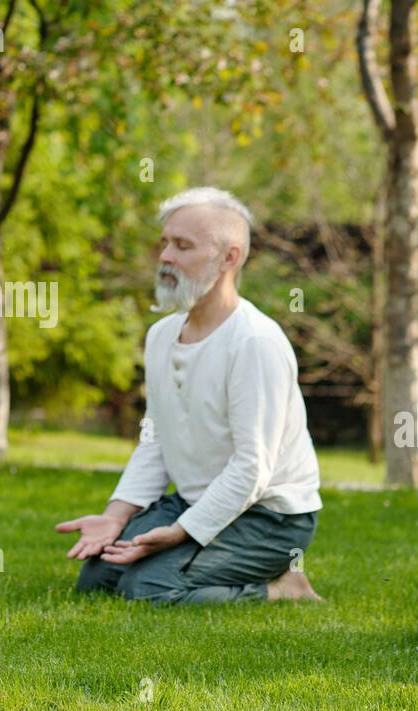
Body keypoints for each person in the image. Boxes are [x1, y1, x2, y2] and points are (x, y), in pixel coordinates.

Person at [56, 187, 323, 604]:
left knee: (146, 588)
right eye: (164, 243)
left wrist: (181, 531)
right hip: (193, 500)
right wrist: (115, 517)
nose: (165, 256)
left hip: (270, 519)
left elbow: (253, 469)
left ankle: (281, 587)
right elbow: (156, 438)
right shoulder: (161, 335)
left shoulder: (255, 342)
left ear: (229, 258)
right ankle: (182, 554)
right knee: (97, 579)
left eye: (183, 245)